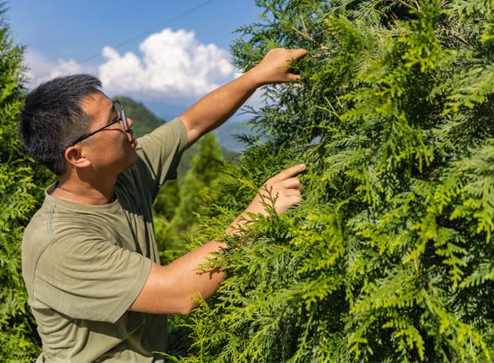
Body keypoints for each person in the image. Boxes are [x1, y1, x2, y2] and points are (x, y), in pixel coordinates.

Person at [18, 47, 309, 363]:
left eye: (118, 110)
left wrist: (256, 76)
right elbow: (181, 293)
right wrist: (259, 213)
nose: (127, 122)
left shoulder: (122, 173)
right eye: (113, 121)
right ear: (78, 156)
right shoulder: (60, 244)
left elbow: (191, 124)